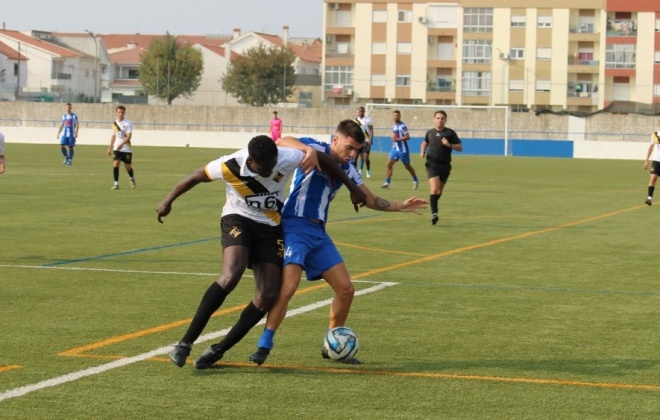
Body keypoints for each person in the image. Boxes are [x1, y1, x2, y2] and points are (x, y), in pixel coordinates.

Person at [158, 135, 366, 370]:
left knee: (267, 294)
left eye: (272, 166)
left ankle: (219, 349)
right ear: (251, 161)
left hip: (270, 227)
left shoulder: (286, 157)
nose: (268, 172)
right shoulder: (229, 165)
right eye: (262, 168)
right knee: (231, 274)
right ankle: (185, 343)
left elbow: (327, 161)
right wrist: (168, 200)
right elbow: (196, 176)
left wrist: (351, 187)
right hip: (238, 219)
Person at [249, 120, 428, 366]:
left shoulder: (349, 168)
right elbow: (280, 141)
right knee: (289, 286)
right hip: (294, 226)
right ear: (335, 140)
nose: (352, 154)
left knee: (346, 289)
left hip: (319, 234)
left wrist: (401, 206)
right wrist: (308, 151)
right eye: (349, 147)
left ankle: (332, 344)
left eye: (356, 150)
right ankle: (264, 344)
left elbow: (369, 199)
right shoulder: (314, 147)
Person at [420, 110, 463, 225]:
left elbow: (459, 147)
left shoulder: (450, 133)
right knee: (434, 189)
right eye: (438, 118)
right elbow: (424, 143)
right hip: (432, 164)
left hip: (445, 165)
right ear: (434, 119)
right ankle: (434, 214)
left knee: (439, 191)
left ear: (445, 120)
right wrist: (423, 151)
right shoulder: (430, 132)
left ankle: (435, 206)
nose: (440, 120)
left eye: (442, 118)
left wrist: (449, 145)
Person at [382, 110, 419, 190]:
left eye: (397, 115)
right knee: (389, 165)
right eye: (394, 115)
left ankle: (415, 180)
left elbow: (408, 136)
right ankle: (387, 182)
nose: (396, 117)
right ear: (393, 116)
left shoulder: (402, 126)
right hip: (395, 149)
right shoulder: (394, 126)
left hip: (403, 149)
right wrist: (393, 141)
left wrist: (397, 139)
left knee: (407, 166)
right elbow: (395, 135)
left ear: (400, 116)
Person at [107, 105, 136, 190]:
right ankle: (116, 184)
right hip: (116, 148)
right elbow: (113, 136)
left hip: (126, 148)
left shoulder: (128, 123)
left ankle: (132, 178)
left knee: (128, 167)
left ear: (124, 113)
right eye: (119, 112)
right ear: (116, 113)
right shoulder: (114, 124)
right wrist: (109, 147)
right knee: (116, 164)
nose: (121, 114)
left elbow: (129, 136)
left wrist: (122, 144)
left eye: (122, 112)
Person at [643, 123, 660, 205]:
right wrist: (646, 160)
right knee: (653, 178)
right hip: (656, 161)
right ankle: (649, 198)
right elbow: (651, 147)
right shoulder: (655, 135)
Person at [355, 106, 373, 178]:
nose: (360, 113)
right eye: (359, 111)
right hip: (358, 141)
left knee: (366, 158)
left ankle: (368, 170)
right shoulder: (355, 121)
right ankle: (356, 172)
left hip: (366, 141)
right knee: (355, 157)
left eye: (361, 111)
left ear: (364, 112)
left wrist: (370, 139)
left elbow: (371, 130)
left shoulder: (368, 120)